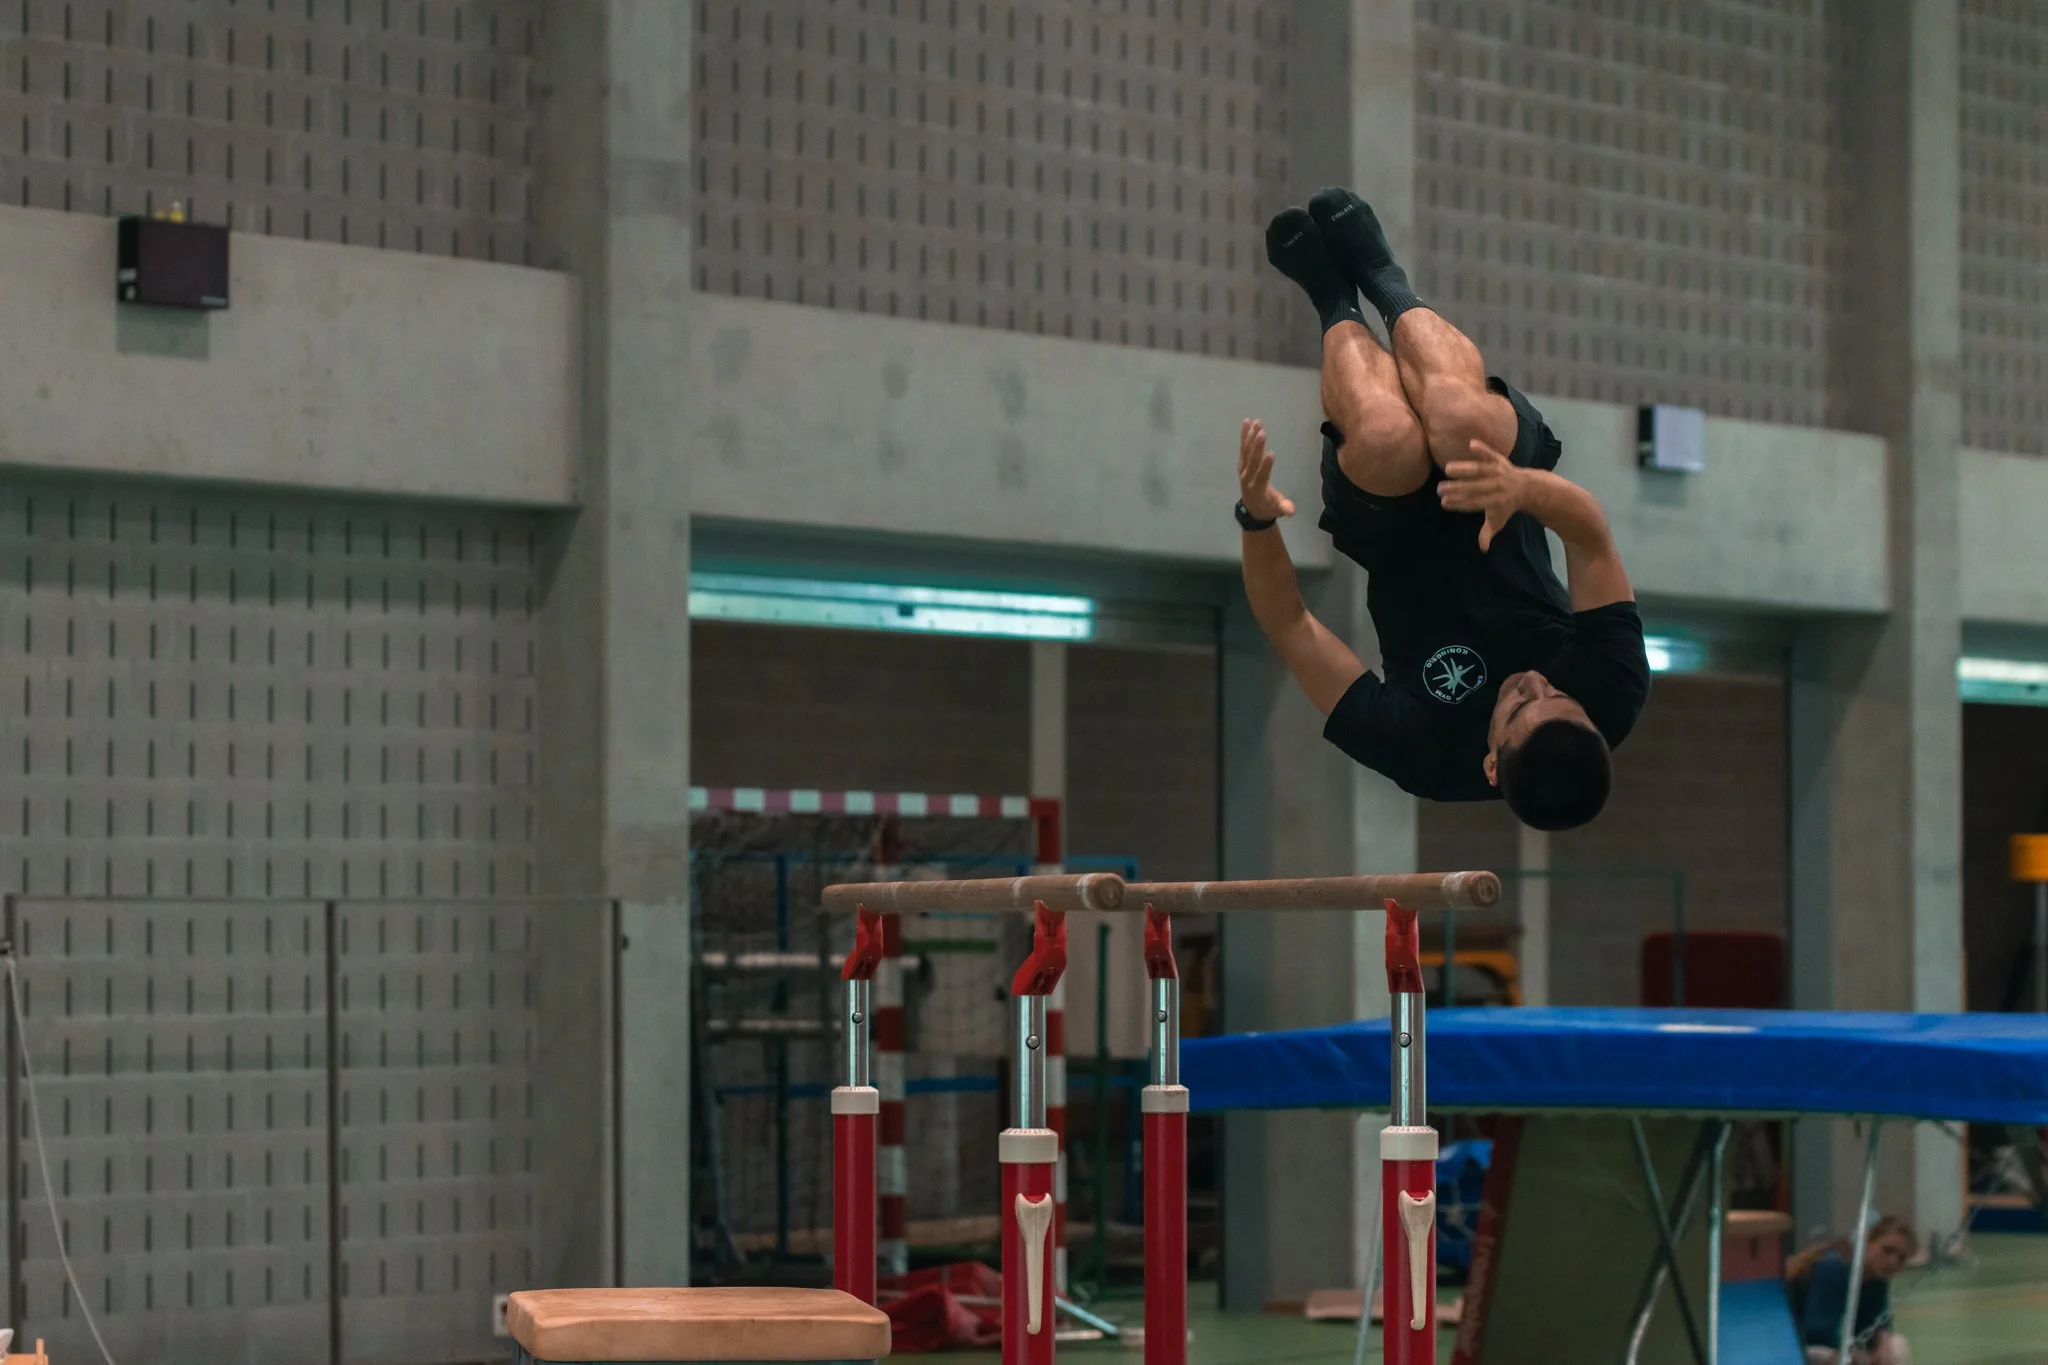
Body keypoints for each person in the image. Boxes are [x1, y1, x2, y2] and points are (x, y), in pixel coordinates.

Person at [1236, 187, 1650, 829]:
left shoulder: (1423, 753)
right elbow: (1590, 537)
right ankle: (1381, 277)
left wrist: (1257, 521)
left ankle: (1335, 301)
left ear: (1491, 765)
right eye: (1559, 694)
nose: (1535, 684)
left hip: (1391, 531)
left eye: (1519, 707)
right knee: (1457, 422)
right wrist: (1521, 489)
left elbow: (1290, 624)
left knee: (1388, 437)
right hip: (1500, 487)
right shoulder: (1614, 692)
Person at [1785, 1216, 1918, 1365]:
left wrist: (1883, 1340)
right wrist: (1853, 1353)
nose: (1893, 1261)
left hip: (1833, 1345)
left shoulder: (1878, 1279)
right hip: (1796, 1345)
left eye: (1901, 1258)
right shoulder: (1834, 1267)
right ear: (1868, 1242)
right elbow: (1818, 1329)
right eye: (1887, 1251)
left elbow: (1878, 1320)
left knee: (1896, 1347)